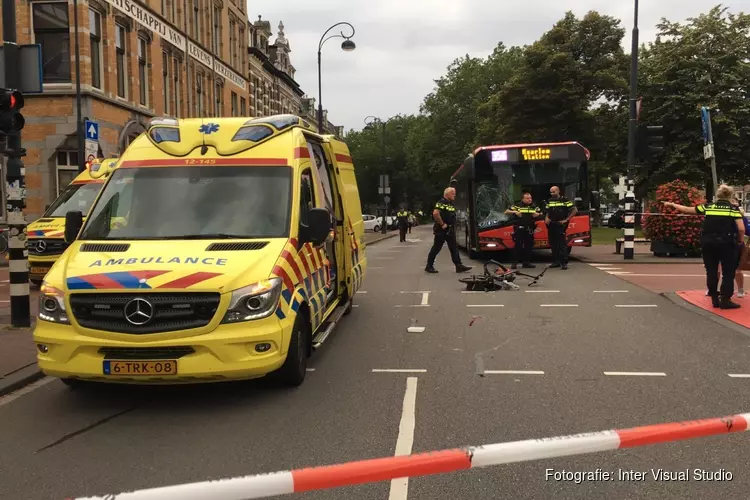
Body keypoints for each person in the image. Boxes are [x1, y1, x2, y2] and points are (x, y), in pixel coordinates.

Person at [664, 184, 746, 309]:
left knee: (711, 270)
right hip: (726, 243)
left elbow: (687, 210)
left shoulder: (708, 207)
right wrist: (740, 241)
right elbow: (741, 229)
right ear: (730, 196)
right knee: (728, 272)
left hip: (708, 242)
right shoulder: (733, 209)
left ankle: (714, 298)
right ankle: (725, 299)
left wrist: (672, 205)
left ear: (718, 195)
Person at [425, 187, 472, 274]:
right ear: (447, 194)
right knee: (436, 248)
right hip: (441, 230)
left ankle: (458, 265)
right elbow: (435, 213)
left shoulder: (449, 203)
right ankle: (429, 266)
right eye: (452, 193)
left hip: (450, 229)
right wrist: (442, 224)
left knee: (454, 248)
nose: (454, 195)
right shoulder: (441, 202)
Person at [505, 192, 542, 269]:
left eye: (530, 198)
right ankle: (514, 263)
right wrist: (515, 212)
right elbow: (506, 212)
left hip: (529, 229)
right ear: (523, 199)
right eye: (527, 198)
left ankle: (526, 263)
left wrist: (538, 214)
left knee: (528, 247)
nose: (529, 200)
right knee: (517, 246)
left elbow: (541, 213)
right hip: (519, 229)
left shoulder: (534, 206)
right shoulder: (517, 206)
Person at [543, 186, 577, 270]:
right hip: (551, 224)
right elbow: (547, 211)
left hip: (560, 224)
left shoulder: (565, 200)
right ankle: (556, 262)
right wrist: (546, 218)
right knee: (553, 244)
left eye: (554, 192)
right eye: (551, 192)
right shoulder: (549, 201)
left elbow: (574, 210)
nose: (552, 194)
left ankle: (564, 263)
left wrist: (567, 219)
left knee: (562, 244)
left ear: (558, 191)